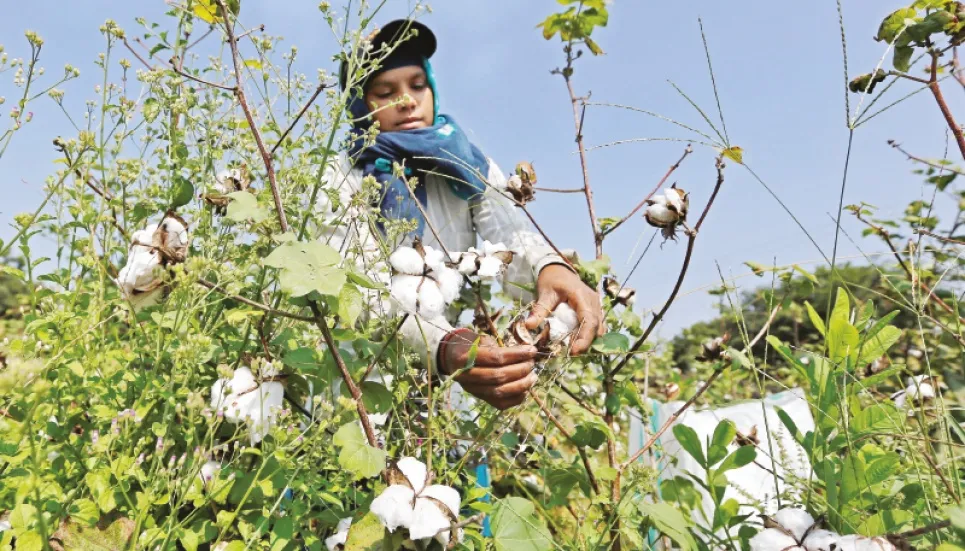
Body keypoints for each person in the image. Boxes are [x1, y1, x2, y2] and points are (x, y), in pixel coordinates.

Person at [322, 19, 603, 410]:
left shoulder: (466, 164)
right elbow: (360, 298)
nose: (407, 101)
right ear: (360, 106)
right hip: (357, 386)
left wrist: (548, 269)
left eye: (417, 85)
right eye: (385, 92)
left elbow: (508, 236)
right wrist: (443, 344)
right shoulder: (340, 179)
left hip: (436, 390)